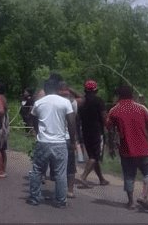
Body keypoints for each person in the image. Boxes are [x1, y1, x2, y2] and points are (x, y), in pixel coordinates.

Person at [106, 84, 148, 212]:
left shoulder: (114, 110)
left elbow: (109, 129)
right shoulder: (141, 108)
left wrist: (111, 148)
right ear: (132, 95)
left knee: (129, 175)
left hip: (126, 149)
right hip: (143, 148)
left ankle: (130, 202)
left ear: (118, 95)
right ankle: (143, 196)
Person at [26, 78, 77, 208]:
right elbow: (71, 123)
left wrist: (38, 132)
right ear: (56, 88)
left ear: (46, 88)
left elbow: (31, 118)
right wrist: (73, 141)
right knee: (60, 173)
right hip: (60, 142)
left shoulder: (39, 103)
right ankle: (60, 200)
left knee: (37, 170)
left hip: (43, 142)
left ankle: (34, 198)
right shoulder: (65, 102)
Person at [76, 79, 109, 188]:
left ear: (85, 90)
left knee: (92, 156)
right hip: (96, 131)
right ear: (96, 90)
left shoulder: (81, 102)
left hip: (85, 131)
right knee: (95, 156)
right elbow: (104, 116)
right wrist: (108, 128)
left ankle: (101, 179)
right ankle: (83, 176)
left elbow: (78, 118)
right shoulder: (99, 101)